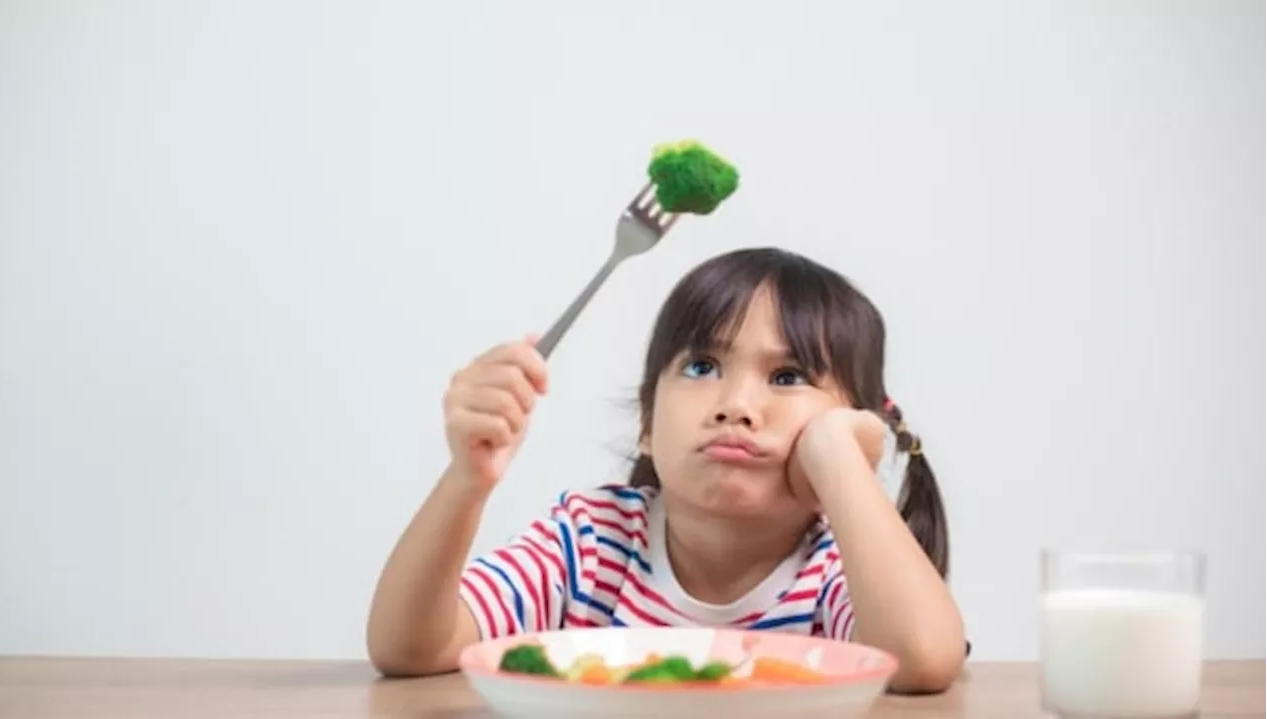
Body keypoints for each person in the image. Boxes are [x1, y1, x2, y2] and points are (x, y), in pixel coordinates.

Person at [366, 247, 967, 693]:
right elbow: (410, 647)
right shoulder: (591, 542)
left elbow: (922, 660)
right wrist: (466, 483)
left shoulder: (837, 567)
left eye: (788, 378)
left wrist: (840, 459)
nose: (736, 405)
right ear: (648, 423)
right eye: (702, 366)